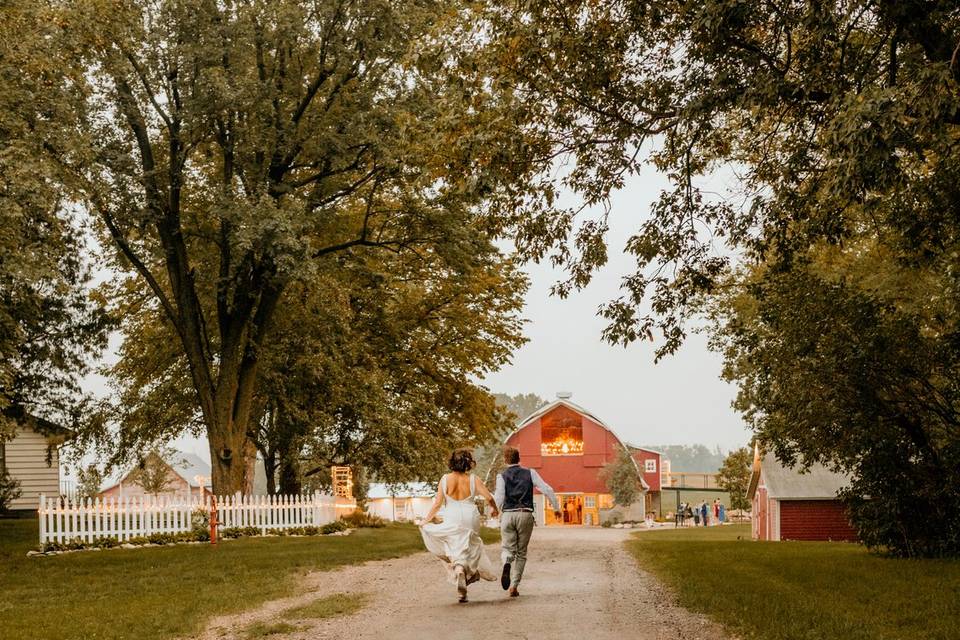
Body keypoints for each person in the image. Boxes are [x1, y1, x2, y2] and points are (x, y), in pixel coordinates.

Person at [420, 449, 499, 603]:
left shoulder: (444, 479)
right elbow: (489, 497)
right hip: (470, 515)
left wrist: (426, 520)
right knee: (469, 547)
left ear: (452, 462)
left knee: (455, 546)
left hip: (452, 515)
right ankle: (463, 588)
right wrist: (495, 509)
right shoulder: (473, 479)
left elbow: (437, 504)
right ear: (468, 463)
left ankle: (459, 571)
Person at [494, 446, 561, 598]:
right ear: (519, 458)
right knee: (521, 553)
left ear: (505, 460)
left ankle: (506, 562)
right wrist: (556, 507)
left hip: (508, 515)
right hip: (525, 514)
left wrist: (494, 509)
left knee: (507, 548)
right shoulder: (530, 473)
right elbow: (547, 489)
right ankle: (514, 586)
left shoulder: (502, 476)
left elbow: (498, 497)